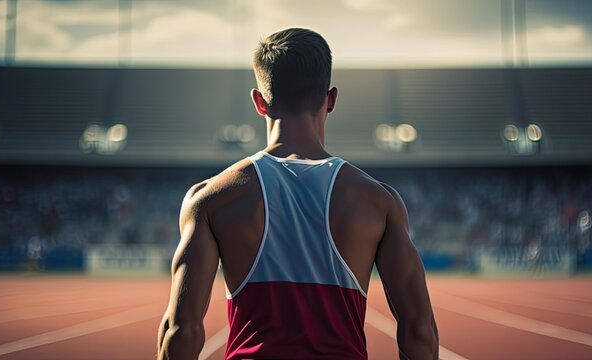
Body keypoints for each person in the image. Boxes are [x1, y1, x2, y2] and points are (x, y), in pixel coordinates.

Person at [157, 28, 438, 359]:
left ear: (259, 102)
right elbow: (419, 329)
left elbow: (182, 329)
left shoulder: (211, 198)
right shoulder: (377, 202)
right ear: (330, 99)